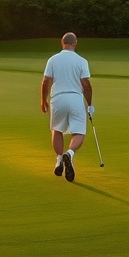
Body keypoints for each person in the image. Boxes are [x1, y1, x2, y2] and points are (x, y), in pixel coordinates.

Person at [40, 32, 93, 182]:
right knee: (79, 132)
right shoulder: (81, 61)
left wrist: (43, 101)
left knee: (57, 130)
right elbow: (86, 85)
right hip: (75, 98)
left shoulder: (53, 59)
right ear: (75, 44)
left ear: (61, 43)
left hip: (57, 98)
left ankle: (58, 160)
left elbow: (45, 82)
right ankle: (69, 153)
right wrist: (90, 104)